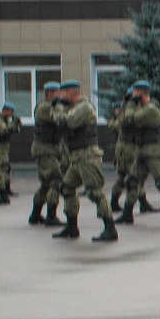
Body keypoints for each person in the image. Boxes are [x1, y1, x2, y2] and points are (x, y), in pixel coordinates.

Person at [51, 80, 118, 242]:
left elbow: (66, 122)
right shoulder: (73, 108)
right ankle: (72, 227)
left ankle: (110, 229)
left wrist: (58, 109)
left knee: (94, 192)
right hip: (76, 157)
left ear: (72, 93)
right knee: (66, 188)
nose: (60, 96)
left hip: (88, 157)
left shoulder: (84, 107)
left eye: (63, 93)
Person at [117, 80, 160, 226]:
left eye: (134, 93)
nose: (132, 96)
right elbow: (122, 122)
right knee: (132, 181)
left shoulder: (151, 109)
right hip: (141, 151)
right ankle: (127, 214)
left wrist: (129, 105)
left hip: (153, 151)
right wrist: (126, 103)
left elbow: (129, 119)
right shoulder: (140, 108)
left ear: (140, 93)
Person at [29, 82, 65, 225]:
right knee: (55, 180)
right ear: (49, 93)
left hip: (50, 148)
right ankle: (51, 216)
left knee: (46, 184)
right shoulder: (44, 107)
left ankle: (35, 215)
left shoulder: (51, 105)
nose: (60, 95)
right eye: (58, 92)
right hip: (45, 149)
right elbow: (58, 118)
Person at [0, 101, 20, 197]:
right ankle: (5, 190)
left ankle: (7, 189)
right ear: (5, 110)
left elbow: (12, 130)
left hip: (4, 146)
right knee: (3, 167)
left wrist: (16, 125)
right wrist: (13, 124)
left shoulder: (6, 119)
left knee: (5, 168)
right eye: (11, 111)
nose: (12, 114)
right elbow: (4, 131)